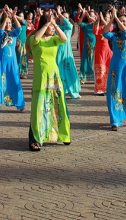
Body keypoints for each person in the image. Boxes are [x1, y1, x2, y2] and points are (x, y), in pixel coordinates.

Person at [28, 10, 71, 150]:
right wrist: (47, 24)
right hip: (41, 77)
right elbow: (35, 39)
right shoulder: (35, 39)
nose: (52, 28)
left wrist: (56, 25)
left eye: (53, 26)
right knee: (39, 107)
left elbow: (64, 39)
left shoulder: (54, 39)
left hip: (54, 76)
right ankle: (35, 139)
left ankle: (62, 135)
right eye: (50, 26)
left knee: (58, 104)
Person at [0, 8, 25, 116]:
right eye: (7, 23)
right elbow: (0, 30)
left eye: (10, 23)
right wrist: (5, 19)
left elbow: (20, 29)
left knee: (15, 81)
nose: (9, 24)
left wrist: (13, 17)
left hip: (12, 61)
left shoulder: (14, 34)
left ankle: (20, 104)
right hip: (0, 61)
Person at [54, 9, 81, 99]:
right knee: (59, 71)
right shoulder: (56, 28)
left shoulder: (69, 28)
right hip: (57, 52)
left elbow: (69, 24)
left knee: (70, 71)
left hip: (67, 52)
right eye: (63, 17)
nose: (64, 18)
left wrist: (59, 14)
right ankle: (60, 90)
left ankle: (73, 90)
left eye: (66, 17)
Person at [93, 13, 112, 96]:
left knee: (109, 68)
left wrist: (104, 20)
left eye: (108, 17)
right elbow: (95, 32)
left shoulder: (109, 26)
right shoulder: (97, 25)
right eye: (105, 17)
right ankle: (99, 89)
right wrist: (97, 21)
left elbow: (110, 29)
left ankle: (108, 87)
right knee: (100, 68)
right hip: (99, 50)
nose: (107, 19)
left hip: (108, 50)